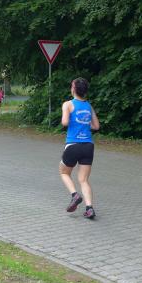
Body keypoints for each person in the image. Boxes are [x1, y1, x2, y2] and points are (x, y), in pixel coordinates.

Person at [59, 77, 100, 219]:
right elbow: (96, 126)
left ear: (74, 89)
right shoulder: (89, 106)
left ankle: (75, 195)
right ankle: (89, 208)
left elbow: (64, 122)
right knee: (83, 179)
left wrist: (69, 117)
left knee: (64, 172)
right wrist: (84, 123)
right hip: (88, 146)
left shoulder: (68, 104)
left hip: (73, 145)